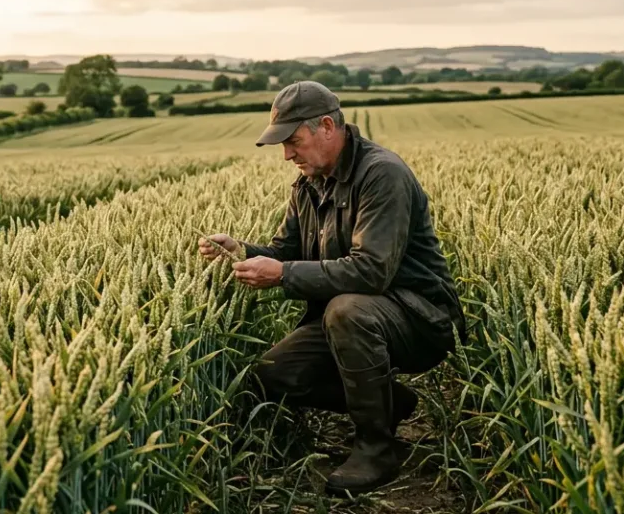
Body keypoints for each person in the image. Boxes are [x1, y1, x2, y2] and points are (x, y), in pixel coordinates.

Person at [198, 80, 466, 495]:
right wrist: (240, 250)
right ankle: (389, 404)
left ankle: (377, 446)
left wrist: (283, 274)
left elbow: (371, 272)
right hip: (351, 317)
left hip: (418, 319)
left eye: (293, 141)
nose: (287, 154)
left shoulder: (382, 174)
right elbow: (285, 250)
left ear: (326, 126)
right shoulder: (310, 184)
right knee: (275, 374)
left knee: (347, 309)